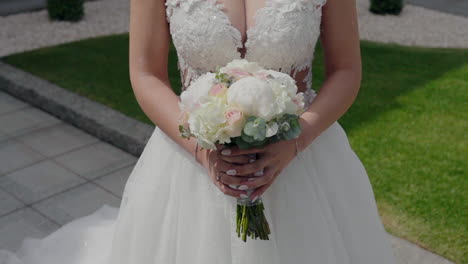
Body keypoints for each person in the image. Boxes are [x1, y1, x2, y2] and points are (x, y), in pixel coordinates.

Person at [0, 0, 398, 263]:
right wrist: (202, 150)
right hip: (190, 167)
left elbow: (347, 70)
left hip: (306, 163)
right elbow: (145, 73)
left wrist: (296, 142)